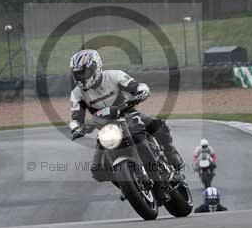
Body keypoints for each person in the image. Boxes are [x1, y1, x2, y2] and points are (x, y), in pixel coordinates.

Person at [69, 49, 185, 182]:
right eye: (78, 74)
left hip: (128, 114)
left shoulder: (114, 76)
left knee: (158, 126)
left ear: (96, 66)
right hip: (105, 127)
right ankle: (128, 184)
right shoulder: (77, 93)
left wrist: (141, 91)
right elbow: (75, 117)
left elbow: (135, 86)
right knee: (98, 171)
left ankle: (171, 153)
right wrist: (76, 128)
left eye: (84, 72)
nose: (82, 77)